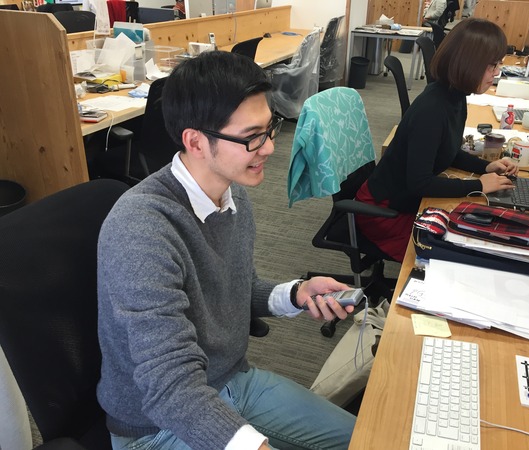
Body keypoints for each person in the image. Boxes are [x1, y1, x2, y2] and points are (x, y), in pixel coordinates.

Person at [96, 51, 356, 450]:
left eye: (270, 129)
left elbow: (236, 288)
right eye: (252, 136)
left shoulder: (232, 193)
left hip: (232, 382)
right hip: (158, 425)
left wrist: (296, 294)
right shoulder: (141, 228)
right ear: (195, 142)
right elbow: (169, 388)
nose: (269, 148)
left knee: (372, 437)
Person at [355, 18, 518, 262]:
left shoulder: (454, 95)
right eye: (492, 65)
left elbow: (448, 150)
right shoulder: (433, 109)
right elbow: (419, 184)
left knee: (476, 235)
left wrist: (485, 167)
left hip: (404, 200)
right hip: (384, 211)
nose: (496, 73)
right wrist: (478, 185)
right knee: (459, 254)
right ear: (469, 63)